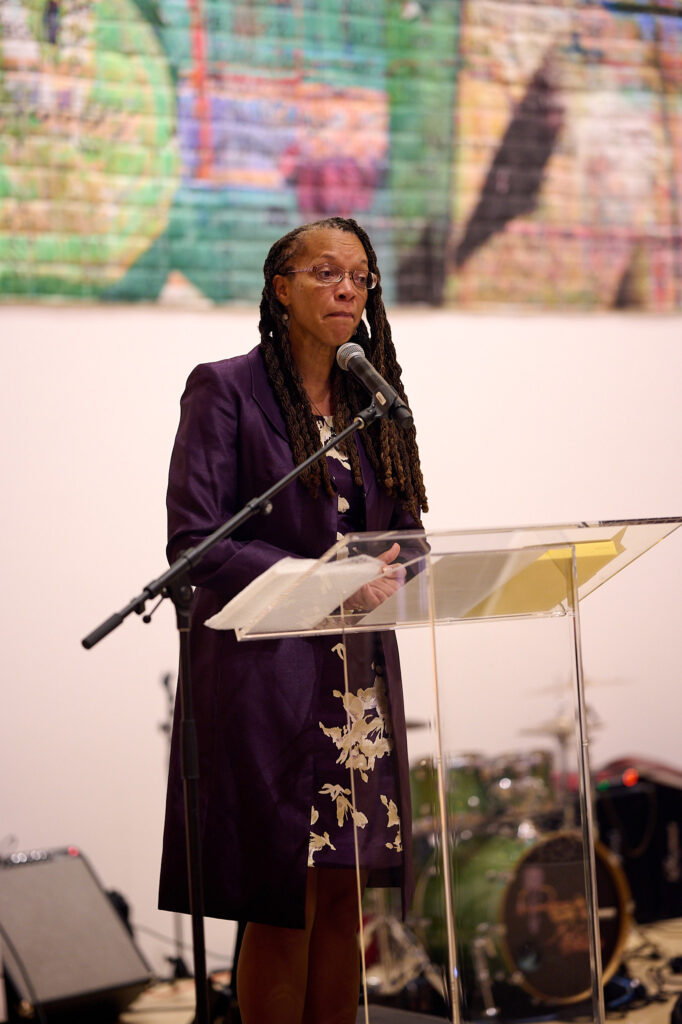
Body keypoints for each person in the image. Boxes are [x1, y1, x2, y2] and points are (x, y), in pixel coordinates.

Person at [158, 216, 428, 1024]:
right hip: (268, 681)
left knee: (344, 897)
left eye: (360, 276)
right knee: (284, 901)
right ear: (281, 289)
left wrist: (396, 567)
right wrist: (322, 581)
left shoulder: (375, 400)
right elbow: (197, 542)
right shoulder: (226, 390)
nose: (347, 288)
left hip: (356, 691)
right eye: (325, 272)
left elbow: (408, 535)